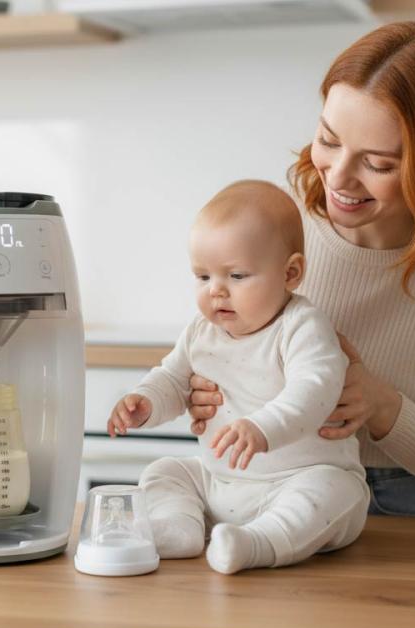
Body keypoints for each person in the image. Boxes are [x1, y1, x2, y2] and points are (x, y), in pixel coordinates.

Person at [188, 22, 415, 519]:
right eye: (328, 140)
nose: (339, 177)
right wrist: (206, 388)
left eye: (379, 164)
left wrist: (382, 406)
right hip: (264, 488)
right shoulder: (278, 228)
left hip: (402, 508)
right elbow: (216, 335)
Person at [107, 180, 370, 574]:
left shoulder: (301, 326)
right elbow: (173, 379)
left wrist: (262, 427)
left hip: (297, 480)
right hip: (220, 483)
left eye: (237, 276)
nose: (216, 291)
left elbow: (315, 388)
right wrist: (145, 401)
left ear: (290, 273)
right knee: (164, 471)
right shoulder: (201, 331)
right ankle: (179, 527)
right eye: (203, 277)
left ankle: (258, 543)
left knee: (337, 491)